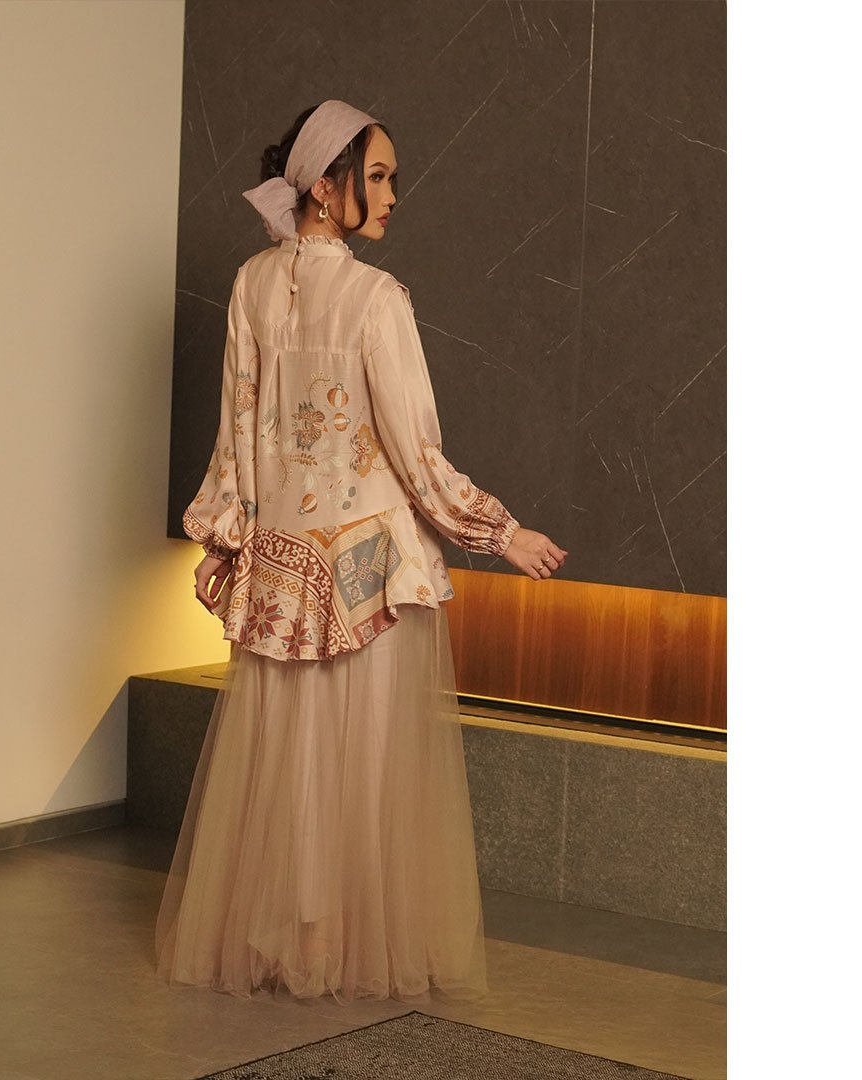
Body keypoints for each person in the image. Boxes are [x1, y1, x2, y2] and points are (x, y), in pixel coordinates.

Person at [155, 99, 567, 1006]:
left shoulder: (250, 284)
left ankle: (291, 943)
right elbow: (417, 455)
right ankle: (341, 947)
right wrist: (500, 531)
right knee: (364, 770)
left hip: (281, 570)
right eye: (377, 176)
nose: (391, 195)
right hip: (368, 578)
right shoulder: (378, 300)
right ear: (324, 186)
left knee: (289, 766)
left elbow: (235, 436)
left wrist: (225, 539)